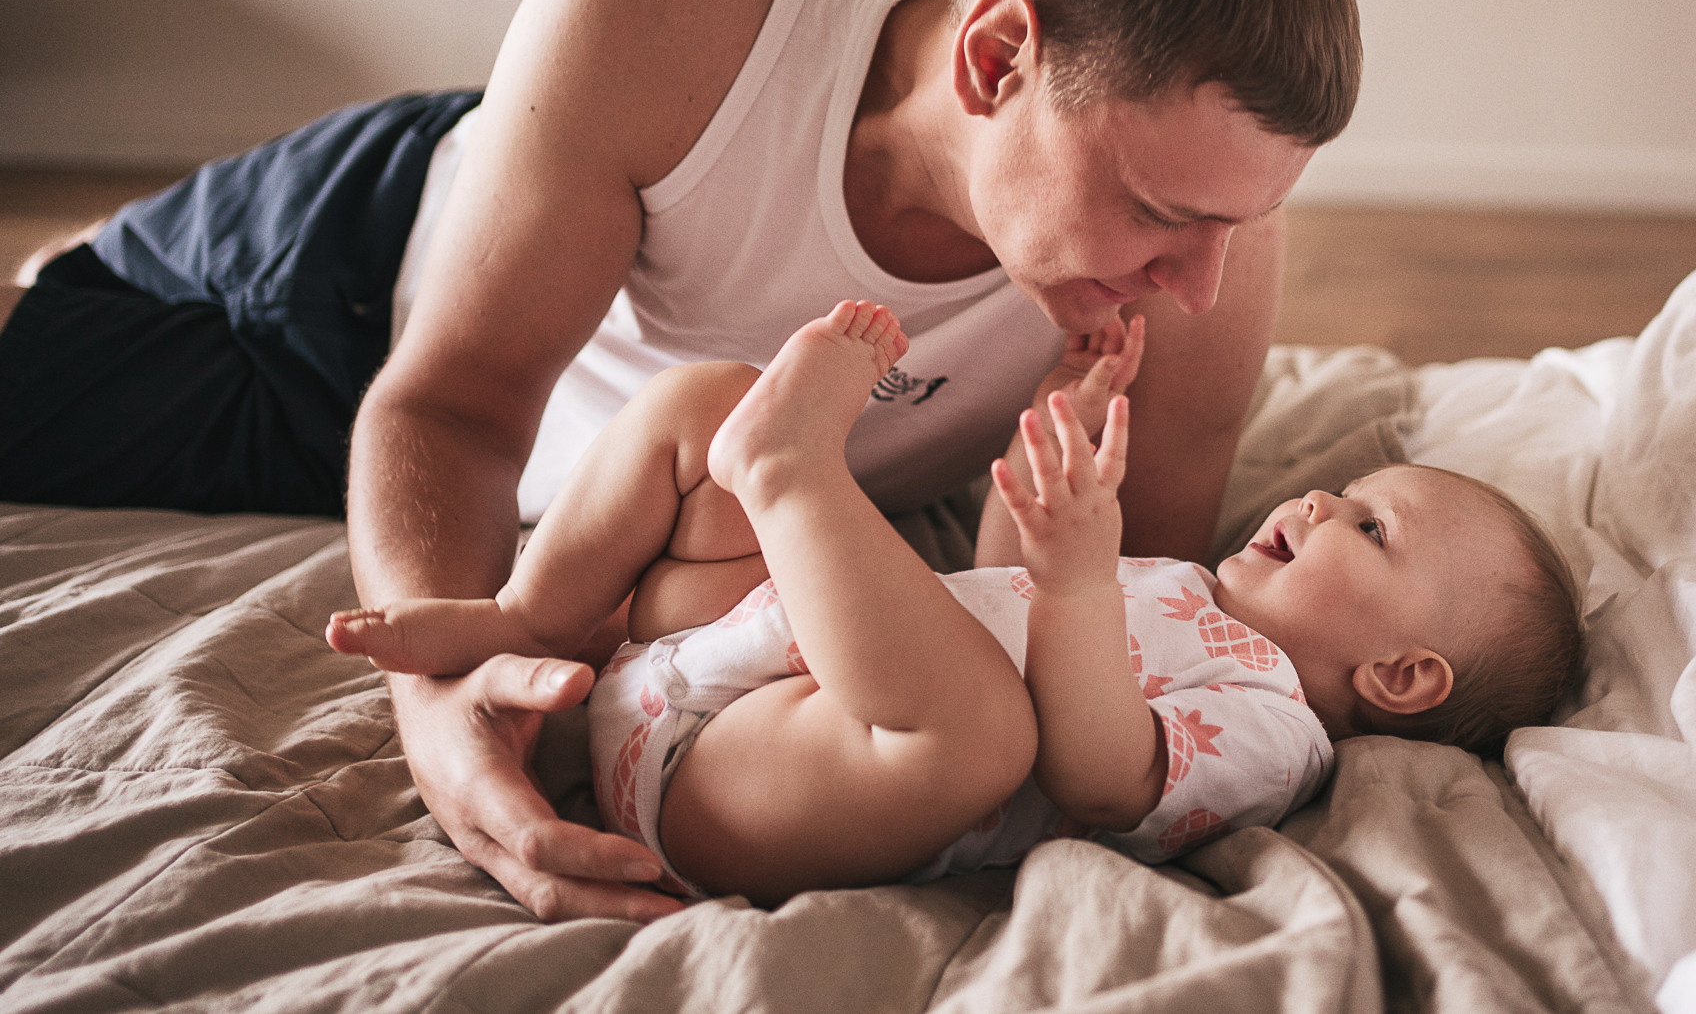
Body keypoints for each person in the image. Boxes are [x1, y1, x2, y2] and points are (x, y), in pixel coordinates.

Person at [0, 0, 1362, 919]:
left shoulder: (1199, 271)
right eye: (1163, 214)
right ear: (998, 54)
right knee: (42, 360)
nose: (1203, 281)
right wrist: (440, 698)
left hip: (613, 491)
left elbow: (1102, 620)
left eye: (1241, 220)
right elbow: (454, 401)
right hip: (349, 287)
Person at [328, 301, 1586, 904]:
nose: (1315, 502)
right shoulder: (1193, 587)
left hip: (751, 779)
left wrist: (1082, 580)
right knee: (704, 400)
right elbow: (992, 584)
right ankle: (537, 615)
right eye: (1340, 490)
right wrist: (1058, 448)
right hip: (730, 644)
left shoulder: (1275, 727)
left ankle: (789, 467)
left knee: (984, 740)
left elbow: (1102, 773)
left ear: (1405, 677)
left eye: (1367, 527)